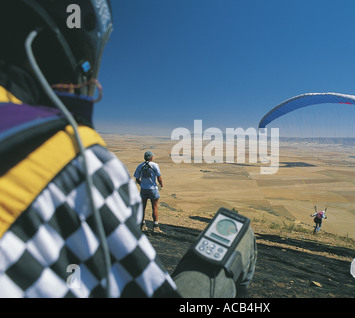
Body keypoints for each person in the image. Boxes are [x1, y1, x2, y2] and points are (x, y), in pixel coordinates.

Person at [0, 0, 256, 298]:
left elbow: (136, 178)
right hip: (144, 198)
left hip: (138, 191)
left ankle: (149, 224)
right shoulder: (74, 155)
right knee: (240, 235)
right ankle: (156, 227)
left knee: (144, 209)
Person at [134, 150, 163, 233]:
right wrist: (161, 184)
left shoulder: (140, 166)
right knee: (155, 207)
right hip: (153, 189)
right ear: (151, 157)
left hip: (144, 189)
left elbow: (137, 178)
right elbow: (159, 177)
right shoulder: (155, 165)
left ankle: (142, 224)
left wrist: (142, 184)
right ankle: (155, 226)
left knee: (142, 207)